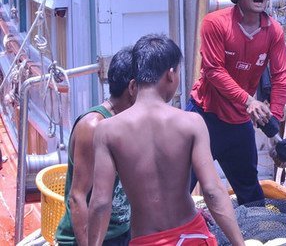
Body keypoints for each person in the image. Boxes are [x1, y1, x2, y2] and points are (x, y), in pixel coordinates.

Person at [87, 34, 244, 246]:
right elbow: (212, 191)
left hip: (146, 240)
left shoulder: (107, 130)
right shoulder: (191, 123)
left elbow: (100, 203)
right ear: (171, 75)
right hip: (192, 236)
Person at [187, 0, 286, 205]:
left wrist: (272, 122)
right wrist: (249, 101)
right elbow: (213, 70)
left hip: (238, 122)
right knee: (181, 187)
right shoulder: (214, 23)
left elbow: (282, 75)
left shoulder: (274, 30)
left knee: (251, 195)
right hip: (204, 117)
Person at [55, 47, 134, 246]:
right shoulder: (93, 127)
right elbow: (77, 196)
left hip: (122, 233)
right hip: (90, 239)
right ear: (133, 88)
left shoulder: (129, 121)